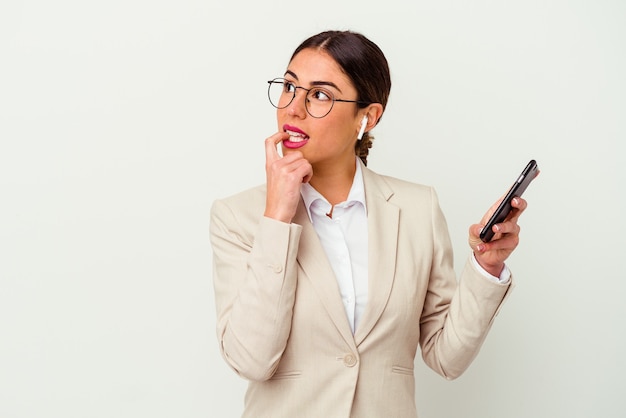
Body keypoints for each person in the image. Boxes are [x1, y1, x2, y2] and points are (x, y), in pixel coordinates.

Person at [210, 30, 527, 418]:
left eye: (320, 94)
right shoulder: (237, 217)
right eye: (289, 87)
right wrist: (277, 216)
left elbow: (447, 357)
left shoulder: (417, 209)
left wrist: (486, 266)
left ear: (368, 116)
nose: (293, 108)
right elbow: (250, 360)